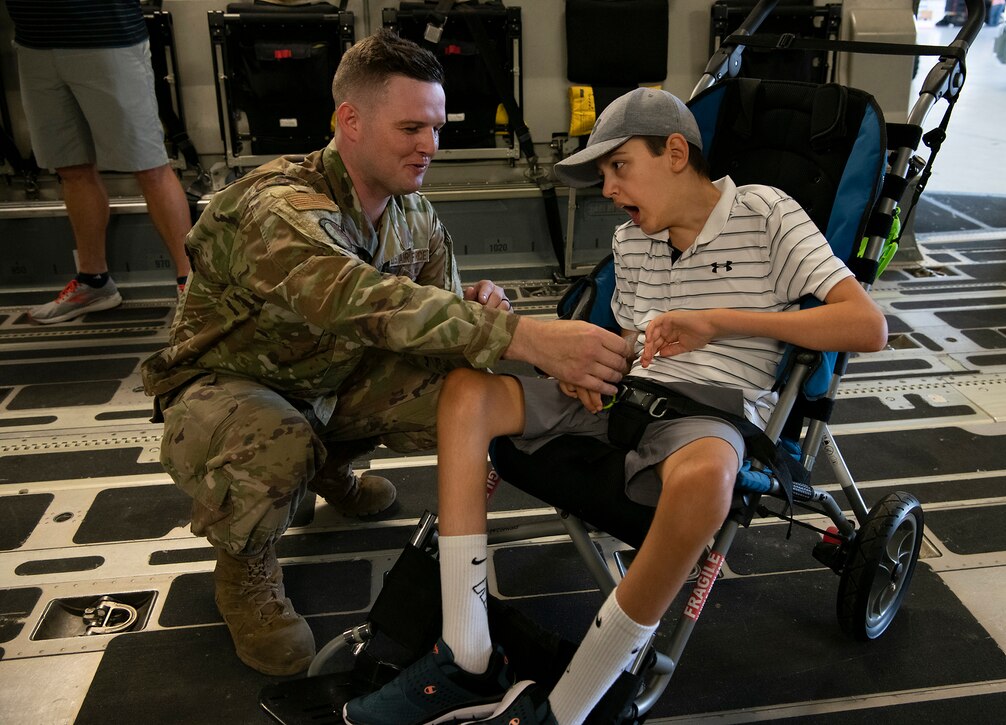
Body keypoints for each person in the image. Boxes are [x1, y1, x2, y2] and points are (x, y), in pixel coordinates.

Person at [343, 87, 888, 724]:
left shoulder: (766, 212)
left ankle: (571, 708)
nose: (607, 189)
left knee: (710, 476)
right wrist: (583, 364)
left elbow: (865, 326)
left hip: (711, 409)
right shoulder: (634, 242)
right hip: (624, 395)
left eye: (618, 166)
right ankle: (466, 653)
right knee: (468, 390)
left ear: (676, 152)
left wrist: (715, 322)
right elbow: (632, 341)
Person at [139, 29, 627, 678]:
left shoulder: (414, 216)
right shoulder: (278, 203)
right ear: (351, 121)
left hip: (330, 385)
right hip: (227, 387)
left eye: (436, 127)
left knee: (465, 391)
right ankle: (244, 569)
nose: (429, 145)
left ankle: (325, 465)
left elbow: (434, 326)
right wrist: (529, 337)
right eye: (410, 128)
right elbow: (347, 297)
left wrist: (479, 310)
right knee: (277, 436)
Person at [7, 0, 193, 324]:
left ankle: (193, 287)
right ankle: (94, 282)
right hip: (35, 42)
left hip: (107, 38)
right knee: (70, 168)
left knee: (150, 166)